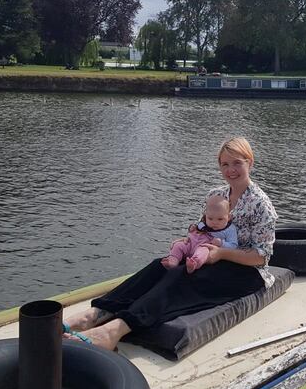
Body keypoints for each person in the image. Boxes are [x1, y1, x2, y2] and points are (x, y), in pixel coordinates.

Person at [63, 137, 278, 351]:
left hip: (248, 272)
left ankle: (113, 331)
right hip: (209, 255)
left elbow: (261, 256)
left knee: (181, 276)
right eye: (225, 164)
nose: (231, 170)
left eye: (237, 163)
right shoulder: (216, 195)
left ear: (250, 162)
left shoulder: (261, 204)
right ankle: (95, 314)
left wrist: (221, 254)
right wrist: (188, 241)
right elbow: (204, 229)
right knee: (161, 265)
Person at [161, 194, 238, 273]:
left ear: (228, 217)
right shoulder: (203, 223)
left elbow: (233, 246)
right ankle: (173, 261)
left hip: (205, 246)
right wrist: (192, 229)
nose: (215, 222)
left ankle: (193, 264)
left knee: (203, 252)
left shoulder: (230, 229)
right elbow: (196, 230)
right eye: (210, 218)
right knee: (178, 245)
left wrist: (221, 243)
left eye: (220, 219)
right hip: (191, 244)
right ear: (205, 216)